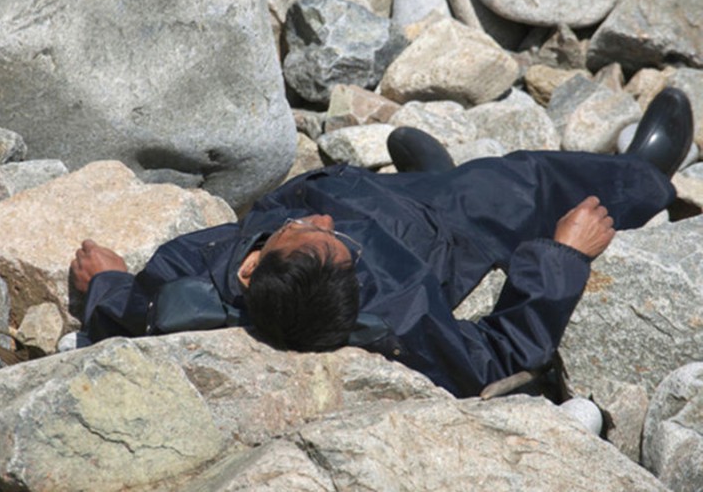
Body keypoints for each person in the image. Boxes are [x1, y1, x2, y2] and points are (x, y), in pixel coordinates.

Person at [70, 87, 694, 398]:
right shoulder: (397, 317)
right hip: (445, 231)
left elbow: (134, 311)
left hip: (362, 194)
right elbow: (498, 355)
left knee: (414, 181)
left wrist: (103, 280)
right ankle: (645, 176)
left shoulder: (195, 273)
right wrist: (564, 255)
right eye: (323, 240)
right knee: (523, 176)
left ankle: (429, 173)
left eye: (316, 237)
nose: (322, 226)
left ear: (252, 266)